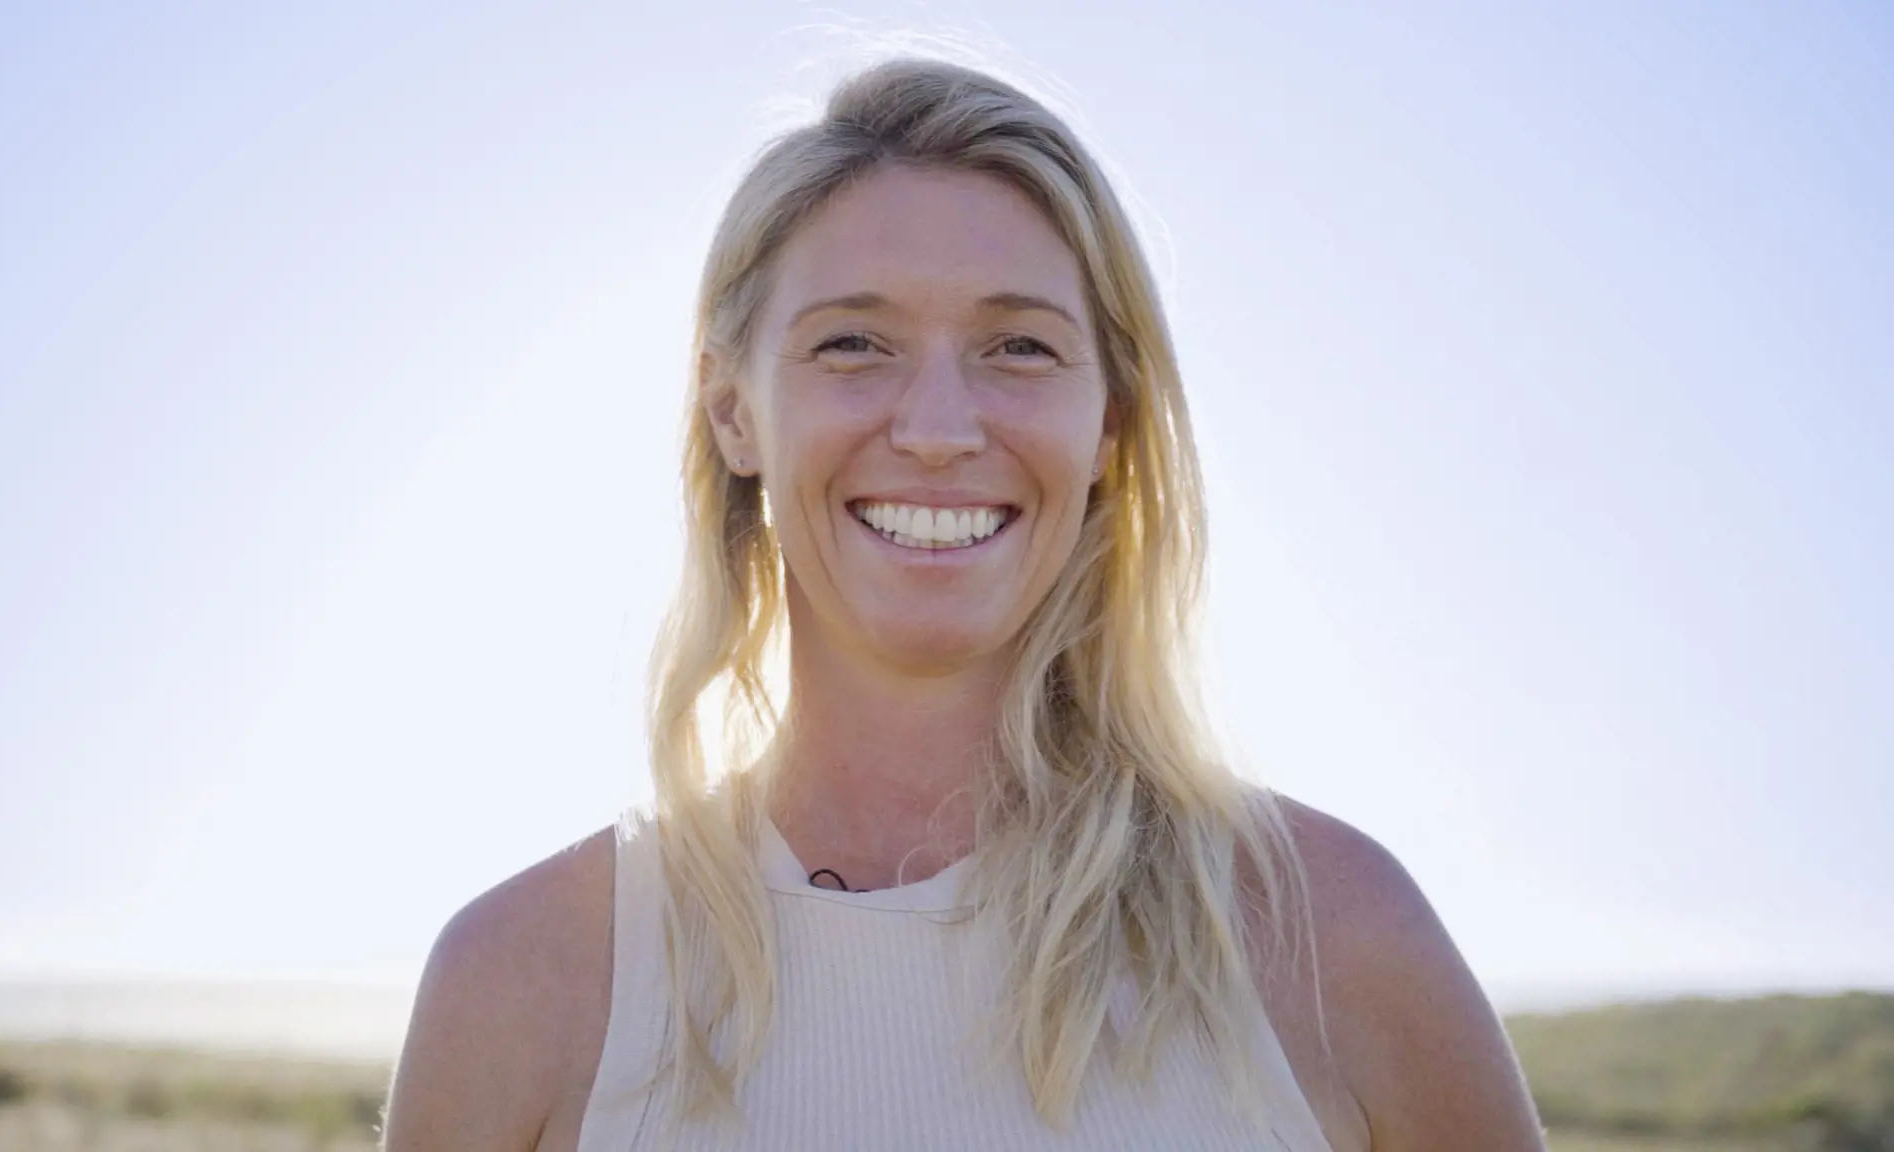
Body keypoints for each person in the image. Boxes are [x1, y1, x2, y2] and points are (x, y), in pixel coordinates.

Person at [381, 56, 1546, 1151]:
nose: (937, 431)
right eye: (852, 343)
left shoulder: (1329, 939)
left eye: (1018, 349)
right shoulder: (524, 983)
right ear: (731, 409)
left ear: (1110, 423)